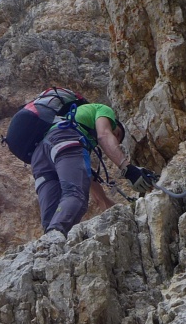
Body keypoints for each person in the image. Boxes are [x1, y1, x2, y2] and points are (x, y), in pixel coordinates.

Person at [31, 101, 156, 239]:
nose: (115, 139)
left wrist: (123, 213)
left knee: (52, 213)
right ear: (114, 123)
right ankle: (55, 235)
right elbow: (104, 135)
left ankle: (46, 244)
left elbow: (99, 197)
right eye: (117, 134)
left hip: (40, 155)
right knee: (75, 196)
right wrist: (129, 169)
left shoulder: (80, 136)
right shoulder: (103, 110)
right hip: (63, 139)